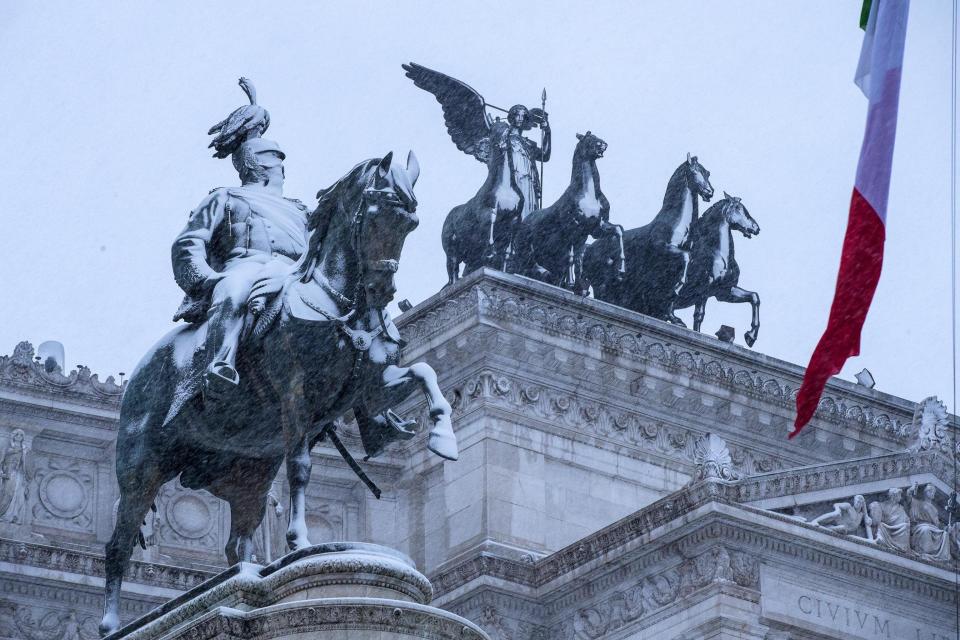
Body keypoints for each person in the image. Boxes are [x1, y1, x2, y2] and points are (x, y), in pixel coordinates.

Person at [171, 79, 308, 396]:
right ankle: (221, 363)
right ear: (258, 165)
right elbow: (187, 244)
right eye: (277, 164)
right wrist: (207, 280)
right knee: (233, 292)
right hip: (243, 269)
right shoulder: (225, 198)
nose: (283, 172)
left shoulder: (300, 210)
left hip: (292, 275)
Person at [491, 104, 551, 220]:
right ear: (511, 117)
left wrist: (547, 131)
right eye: (517, 115)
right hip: (511, 183)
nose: (520, 118)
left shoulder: (528, 144)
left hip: (529, 184)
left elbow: (545, 155)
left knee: (529, 216)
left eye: (523, 116)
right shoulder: (505, 139)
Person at [908, 482, 951, 561]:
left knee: (945, 534)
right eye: (930, 491)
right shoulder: (918, 502)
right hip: (920, 526)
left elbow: (937, 523)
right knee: (926, 530)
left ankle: (943, 558)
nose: (932, 493)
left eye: (933, 492)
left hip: (933, 527)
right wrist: (911, 489)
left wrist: (946, 528)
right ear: (925, 492)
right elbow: (908, 498)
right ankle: (924, 552)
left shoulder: (934, 509)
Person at [867, 487, 911, 552]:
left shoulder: (900, 508)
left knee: (905, 526)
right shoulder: (883, 505)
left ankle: (901, 547)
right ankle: (882, 540)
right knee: (881, 525)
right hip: (886, 528)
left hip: (898, 529)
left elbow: (906, 519)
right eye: (899, 495)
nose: (900, 497)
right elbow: (876, 514)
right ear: (894, 496)